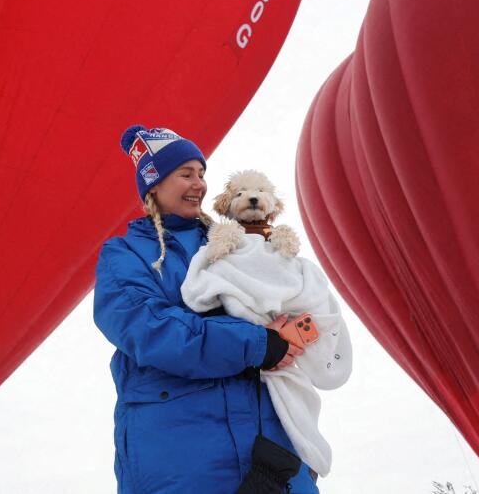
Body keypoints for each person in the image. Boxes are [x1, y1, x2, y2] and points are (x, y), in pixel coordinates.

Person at [93, 125, 320, 493]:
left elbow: (286, 297)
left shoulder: (239, 243)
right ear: (154, 184)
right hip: (181, 456)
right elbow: (149, 329)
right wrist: (258, 343)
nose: (199, 184)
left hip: (271, 452)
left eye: (201, 174)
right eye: (185, 174)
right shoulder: (125, 255)